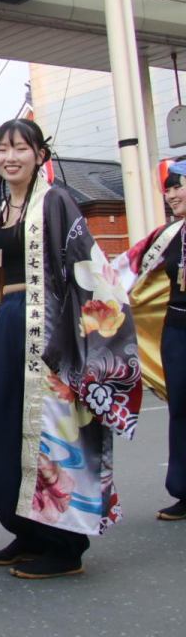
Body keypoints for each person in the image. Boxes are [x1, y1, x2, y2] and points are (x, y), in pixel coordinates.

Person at [0, 119, 142, 580]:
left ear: (40, 155)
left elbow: (88, 268)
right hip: (7, 324)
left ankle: (65, 545)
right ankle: (26, 530)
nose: (9, 157)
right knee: (3, 428)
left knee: (53, 433)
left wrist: (81, 340)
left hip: (50, 331)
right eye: (2, 150)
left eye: (20, 149)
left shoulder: (57, 202)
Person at [111, 155, 186, 521]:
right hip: (177, 331)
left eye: (178, 185)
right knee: (182, 410)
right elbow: (125, 269)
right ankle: (184, 489)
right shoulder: (167, 236)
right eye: (168, 188)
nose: (172, 195)